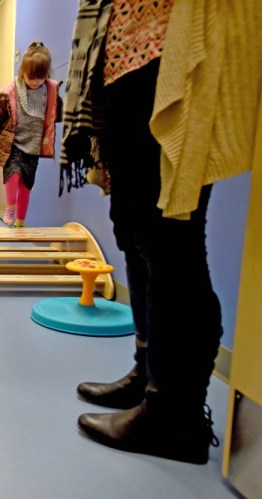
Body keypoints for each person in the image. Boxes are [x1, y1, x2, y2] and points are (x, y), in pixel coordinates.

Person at [60, 0, 261, 464]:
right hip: (119, 71)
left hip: (167, 63)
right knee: (131, 231)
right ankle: (146, 376)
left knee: (170, 238)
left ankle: (175, 414)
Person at [0, 41, 60, 227]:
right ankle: (10, 207)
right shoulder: (10, 92)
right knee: (12, 175)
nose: (35, 82)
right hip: (13, 143)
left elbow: (56, 114)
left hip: (34, 145)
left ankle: (20, 221)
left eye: (40, 77)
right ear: (23, 72)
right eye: (31, 77)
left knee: (26, 185)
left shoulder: (50, 91)